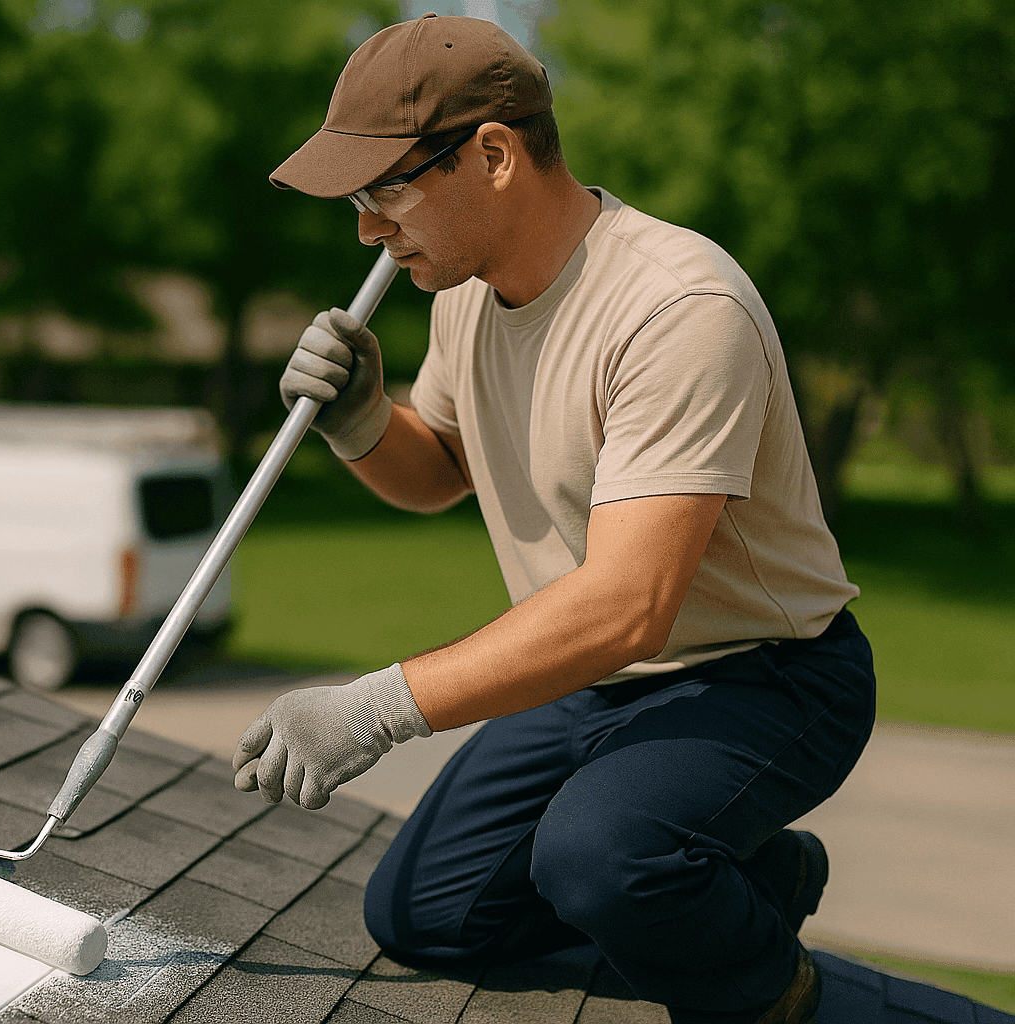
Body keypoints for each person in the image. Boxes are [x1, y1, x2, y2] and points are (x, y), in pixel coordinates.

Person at [231, 14, 875, 1024]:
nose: (365, 229)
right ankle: (753, 874)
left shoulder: (678, 306)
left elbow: (629, 608)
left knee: (599, 859)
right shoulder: (465, 294)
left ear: (491, 154)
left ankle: (777, 992)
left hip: (765, 673)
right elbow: (440, 470)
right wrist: (361, 422)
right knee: (423, 916)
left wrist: (374, 710)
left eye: (383, 189)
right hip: (594, 678)